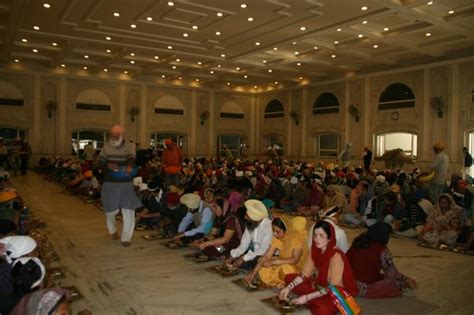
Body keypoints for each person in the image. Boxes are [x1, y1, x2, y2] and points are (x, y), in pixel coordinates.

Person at [279, 221, 358, 315]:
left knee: (321, 309)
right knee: (289, 278)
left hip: (334, 292)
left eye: (321, 235)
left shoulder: (336, 256)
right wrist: (288, 288)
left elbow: (332, 287)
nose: (317, 239)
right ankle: (311, 299)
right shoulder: (315, 250)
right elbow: (304, 274)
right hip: (318, 285)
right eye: (315, 235)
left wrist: (307, 297)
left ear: (329, 238)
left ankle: (312, 300)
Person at [347, 222, 417, 298]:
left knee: (382, 277)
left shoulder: (358, 241)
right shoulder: (382, 250)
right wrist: (406, 280)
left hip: (346, 282)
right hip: (361, 288)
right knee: (394, 284)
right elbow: (392, 273)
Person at [98, 124, 141, 247]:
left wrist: (129, 165)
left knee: (129, 210)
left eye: (116, 136)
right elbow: (99, 163)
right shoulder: (106, 146)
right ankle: (112, 231)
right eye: (112, 136)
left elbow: (132, 158)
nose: (113, 138)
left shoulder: (130, 146)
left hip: (126, 183)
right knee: (110, 211)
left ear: (122, 136)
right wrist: (108, 165)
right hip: (110, 183)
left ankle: (126, 238)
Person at [245, 216, 307, 287]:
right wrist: (253, 273)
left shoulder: (296, 239)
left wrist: (274, 262)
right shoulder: (278, 237)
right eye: (273, 231)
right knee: (263, 263)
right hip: (282, 262)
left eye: (278, 231)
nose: (274, 234)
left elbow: (295, 260)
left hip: (297, 268)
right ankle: (279, 282)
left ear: (286, 229)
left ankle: (283, 282)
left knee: (285, 269)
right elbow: (267, 256)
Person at [225, 199, 272, 271]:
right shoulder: (251, 224)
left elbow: (263, 251)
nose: (245, 217)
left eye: (247, 215)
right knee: (234, 259)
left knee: (257, 262)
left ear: (255, 217)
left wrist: (243, 258)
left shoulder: (268, 227)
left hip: (265, 255)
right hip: (253, 254)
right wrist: (232, 256)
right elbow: (244, 244)